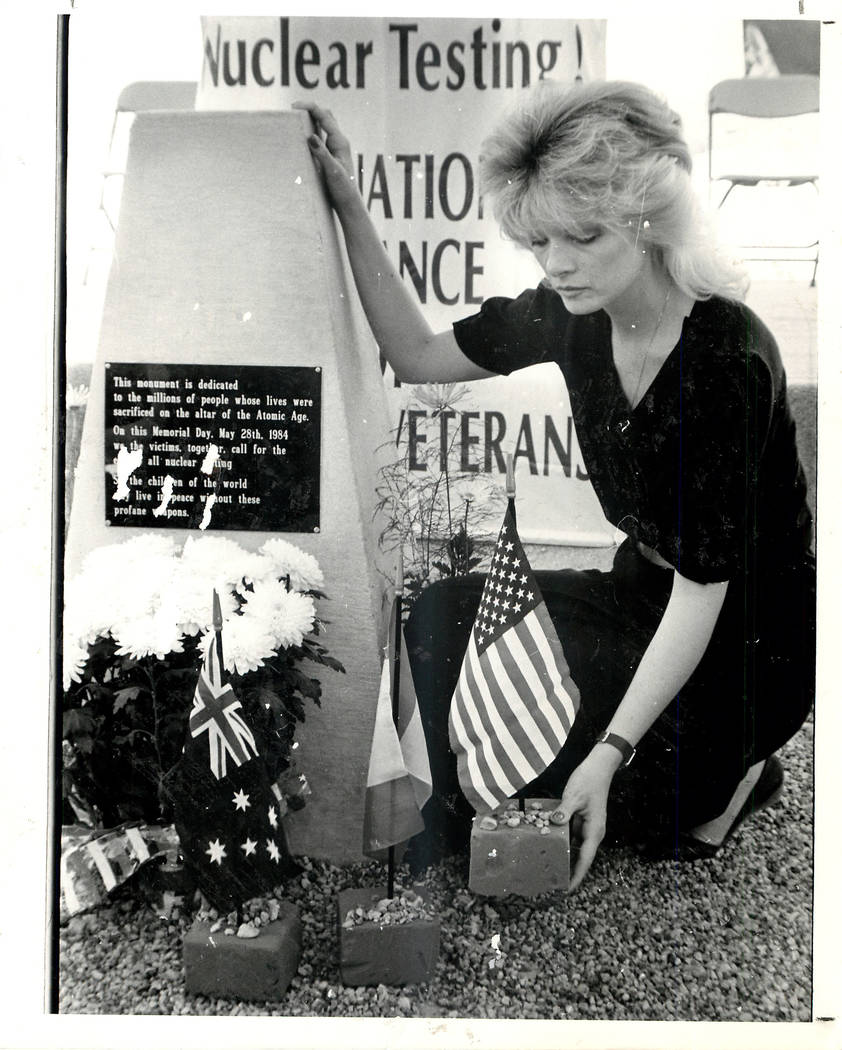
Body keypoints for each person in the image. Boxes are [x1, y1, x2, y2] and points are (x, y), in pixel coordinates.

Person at [294, 80, 815, 890]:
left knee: (583, 795)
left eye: (582, 236)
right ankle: (664, 770)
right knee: (438, 623)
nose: (557, 263)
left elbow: (703, 593)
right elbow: (419, 357)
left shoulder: (727, 359)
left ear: (649, 219)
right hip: (640, 593)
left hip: (747, 644)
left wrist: (611, 753)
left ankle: (737, 775)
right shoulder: (568, 309)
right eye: (539, 241)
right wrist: (349, 201)